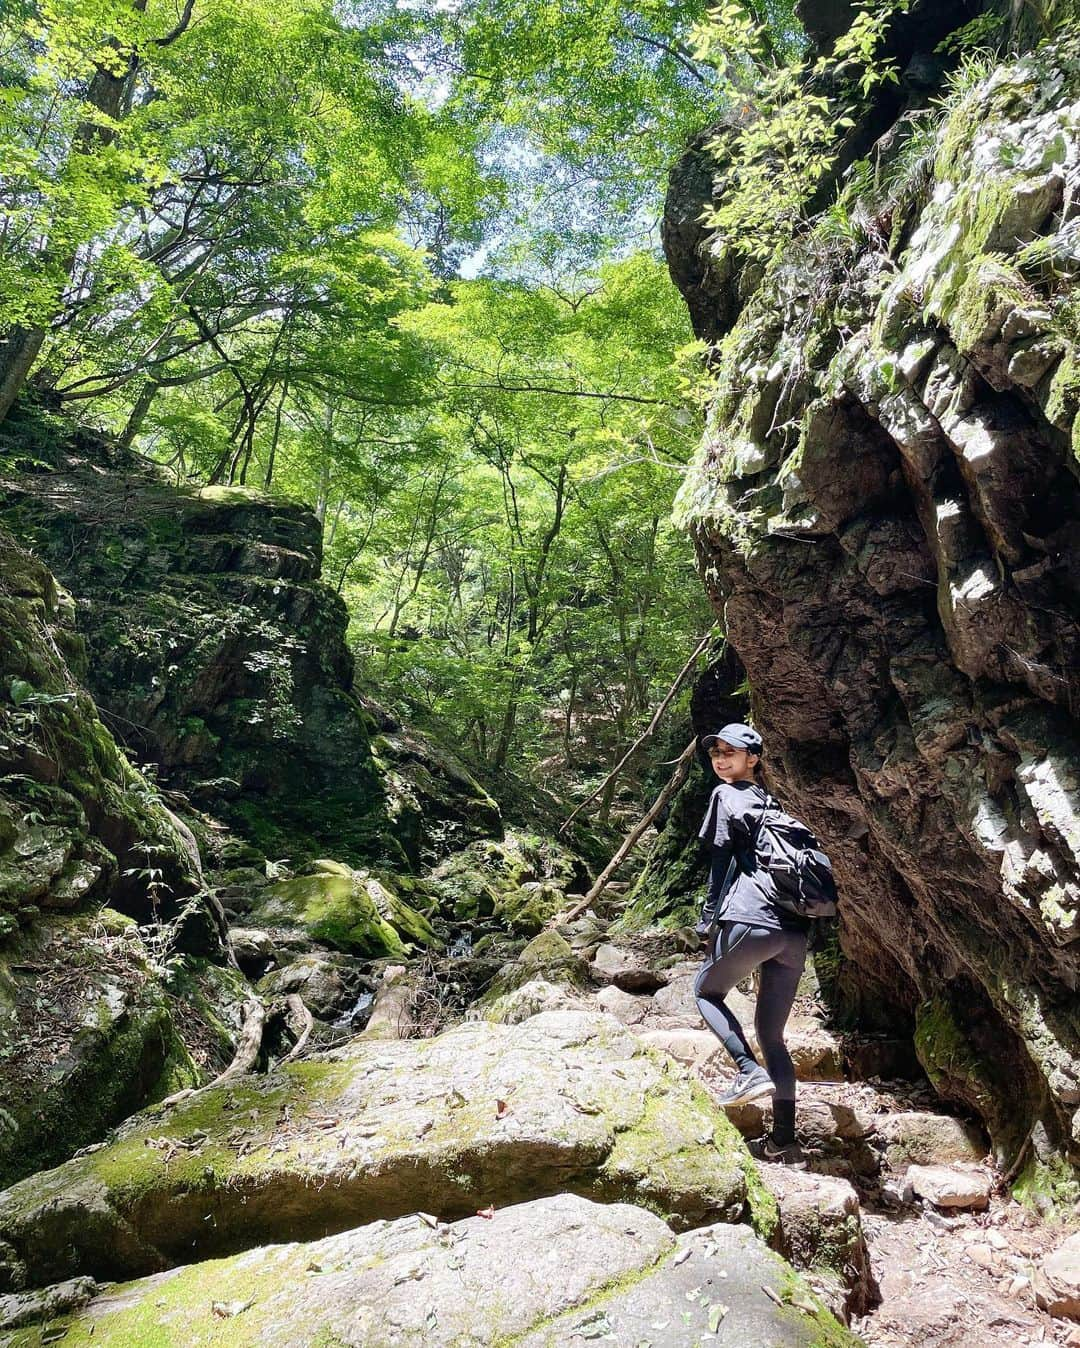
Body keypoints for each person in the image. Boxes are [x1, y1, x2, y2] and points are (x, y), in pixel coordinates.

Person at [693, 722, 810, 1158]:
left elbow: (720, 863)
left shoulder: (726, 795)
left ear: (753, 759)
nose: (721, 759)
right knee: (772, 1034)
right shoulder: (773, 806)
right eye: (715, 752)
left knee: (704, 992)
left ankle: (747, 1070)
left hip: (751, 918)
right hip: (794, 931)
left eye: (731, 752)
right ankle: (784, 1140)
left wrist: (708, 920)